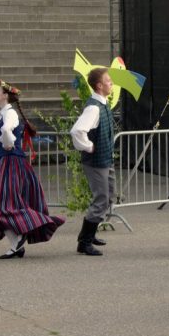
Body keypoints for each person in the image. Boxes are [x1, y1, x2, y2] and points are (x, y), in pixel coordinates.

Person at [0, 80, 65, 259]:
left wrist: (8, 144)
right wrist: (3, 146)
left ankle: (20, 238)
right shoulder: (5, 114)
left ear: (5, 95)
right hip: (4, 162)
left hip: (10, 163)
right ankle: (16, 242)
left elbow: (6, 131)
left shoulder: (10, 114)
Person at [70, 67, 115, 256]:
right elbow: (77, 131)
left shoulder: (102, 104)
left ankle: (89, 233)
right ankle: (84, 242)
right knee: (101, 199)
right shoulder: (94, 108)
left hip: (105, 159)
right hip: (96, 161)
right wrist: (88, 146)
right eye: (108, 81)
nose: (111, 83)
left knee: (108, 196)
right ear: (99, 85)